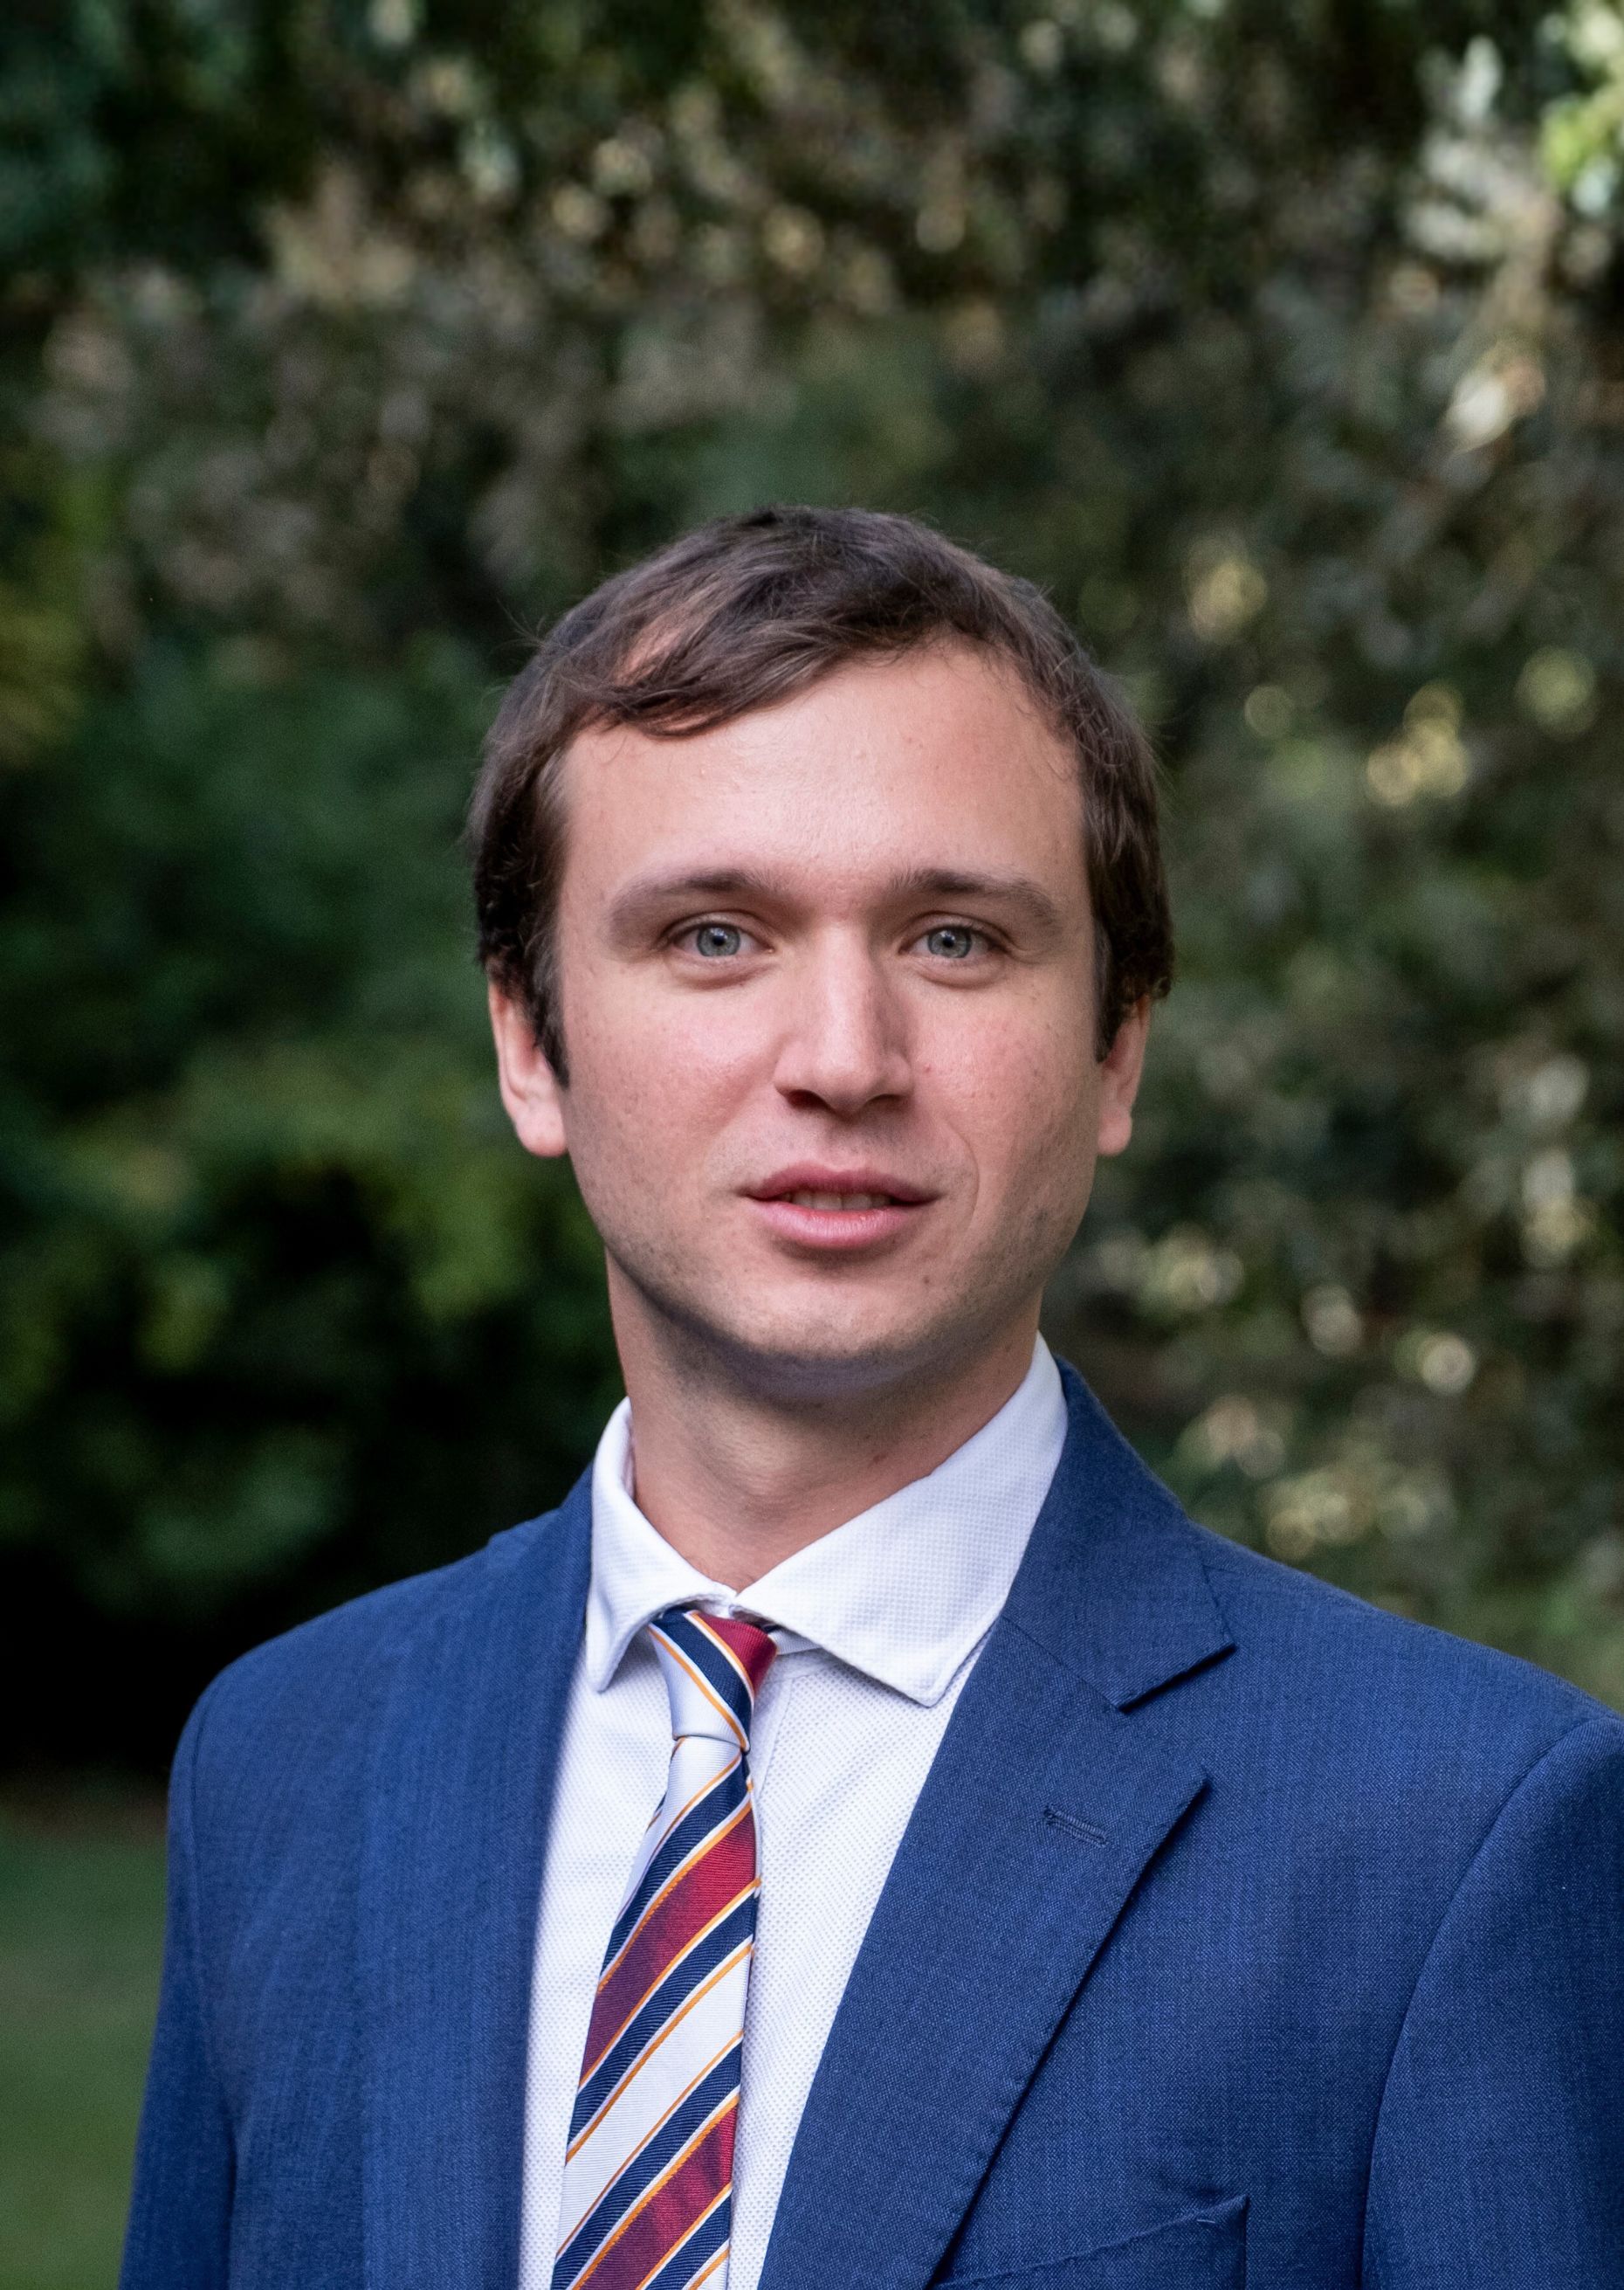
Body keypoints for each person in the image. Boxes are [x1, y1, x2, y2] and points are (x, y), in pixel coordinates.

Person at [121, 507, 1623, 2290]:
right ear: (531, 1043)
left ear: (1117, 1046)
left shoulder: (1456, 1837)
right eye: (712, 936)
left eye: (957, 941)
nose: (843, 1060)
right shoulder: (287, 1762)